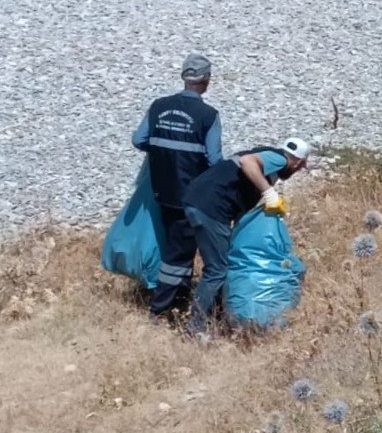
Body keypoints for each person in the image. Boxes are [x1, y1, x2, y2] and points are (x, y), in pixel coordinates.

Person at [180, 136, 311, 336]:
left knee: (220, 263)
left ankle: (216, 318)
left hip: (198, 201)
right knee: (217, 269)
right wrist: (268, 192)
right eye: (301, 166)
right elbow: (247, 162)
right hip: (210, 208)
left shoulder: (265, 162)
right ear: (298, 162)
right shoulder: (279, 159)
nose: (298, 170)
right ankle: (196, 329)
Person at [131, 53, 222, 317]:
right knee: (179, 254)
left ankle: (179, 300)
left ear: (184, 77)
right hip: (190, 194)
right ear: (205, 80)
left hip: (162, 190)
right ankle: (158, 310)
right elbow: (215, 159)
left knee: (173, 243)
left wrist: (163, 152)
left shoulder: (159, 106)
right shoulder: (208, 115)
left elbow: (139, 140)